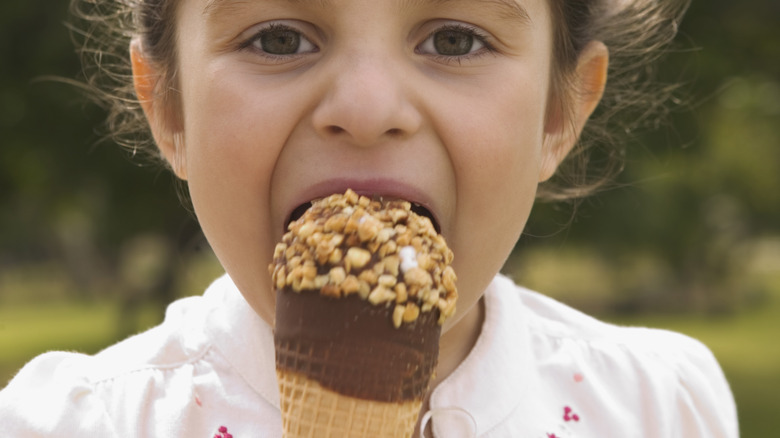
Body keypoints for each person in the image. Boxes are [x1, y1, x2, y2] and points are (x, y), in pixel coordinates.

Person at [0, 0, 738, 436]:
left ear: (559, 111)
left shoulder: (660, 407)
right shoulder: (71, 425)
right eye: (278, 39)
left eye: (454, 40)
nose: (366, 109)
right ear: (167, 107)